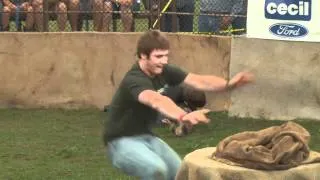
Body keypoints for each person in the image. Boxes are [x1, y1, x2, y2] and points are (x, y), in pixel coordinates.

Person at [104, 30, 254, 179]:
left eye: (166, 56)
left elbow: (198, 80)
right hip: (119, 142)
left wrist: (228, 85)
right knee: (156, 169)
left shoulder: (164, 70)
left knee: (181, 172)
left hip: (147, 137)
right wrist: (183, 115)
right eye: (158, 56)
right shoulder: (134, 79)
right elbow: (156, 100)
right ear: (143, 55)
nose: (164, 61)